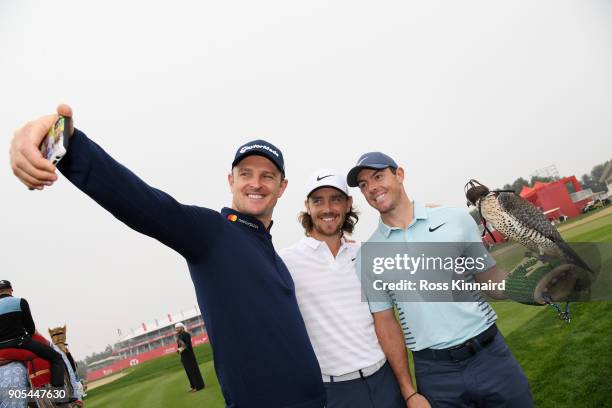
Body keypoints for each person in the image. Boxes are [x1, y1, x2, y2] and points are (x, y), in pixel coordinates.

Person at [9, 105, 326, 408]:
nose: (256, 183)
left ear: (282, 187)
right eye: (246, 173)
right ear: (232, 180)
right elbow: (141, 202)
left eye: (267, 176)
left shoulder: (271, 252)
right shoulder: (212, 232)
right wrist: (61, 139)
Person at [346, 152, 534, 408]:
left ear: (399, 174)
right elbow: (386, 324)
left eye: (378, 176)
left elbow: (489, 278)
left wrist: (527, 286)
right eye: (364, 184)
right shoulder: (369, 254)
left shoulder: (454, 219)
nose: (372, 188)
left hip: (491, 356)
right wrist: (409, 392)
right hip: (434, 373)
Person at [279, 169, 406, 408]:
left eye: (335, 199)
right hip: (335, 392)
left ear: (348, 204)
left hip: (384, 379)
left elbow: (387, 321)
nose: (327, 208)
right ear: (307, 205)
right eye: (318, 201)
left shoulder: (364, 253)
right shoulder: (286, 261)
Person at [0, 280, 65, 388]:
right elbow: (30, 328)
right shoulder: (20, 301)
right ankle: (58, 392)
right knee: (56, 357)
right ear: (11, 290)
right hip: (21, 342)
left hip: (1, 347)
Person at [175, 322, 205, 392]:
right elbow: (180, 346)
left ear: (182, 327)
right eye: (175, 328)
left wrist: (179, 349)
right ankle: (193, 386)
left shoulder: (186, 334)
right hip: (183, 356)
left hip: (189, 355)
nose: (176, 329)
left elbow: (187, 345)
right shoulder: (178, 336)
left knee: (193, 371)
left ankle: (199, 386)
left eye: (177, 328)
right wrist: (180, 353)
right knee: (188, 372)